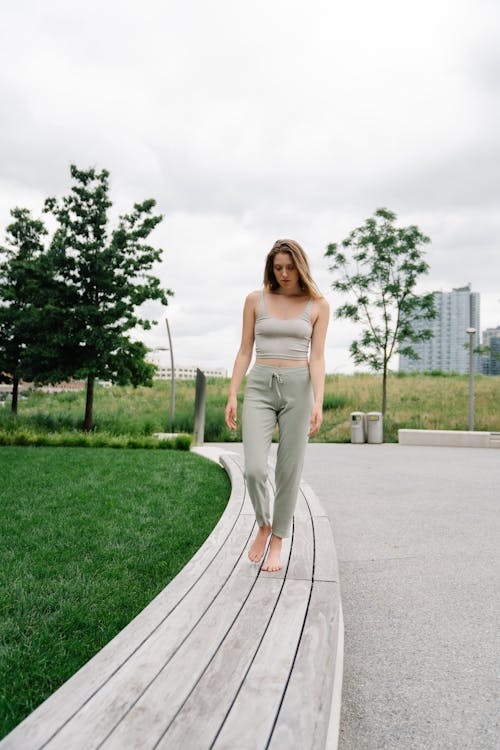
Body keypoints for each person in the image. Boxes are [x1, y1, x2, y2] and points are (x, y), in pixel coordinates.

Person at [224, 239, 330, 572]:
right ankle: (263, 524)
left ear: (301, 266)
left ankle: (279, 538)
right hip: (259, 386)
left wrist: (319, 401)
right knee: (254, 468)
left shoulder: (318, 305)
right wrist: (232, 393)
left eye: (289, 267)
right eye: (277, 267)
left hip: (299, 388)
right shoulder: (255, 300)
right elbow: (244, 350)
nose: (284, 274)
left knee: (289, 470)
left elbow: (317, 356)